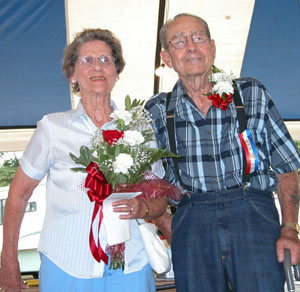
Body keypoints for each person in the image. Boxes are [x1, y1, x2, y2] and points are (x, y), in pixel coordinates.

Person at [0, 28, 167, 292]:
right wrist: (7, 259)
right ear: (72, 73)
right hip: (65, 266)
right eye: (87, 60)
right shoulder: (52, 128)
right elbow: (18, 196)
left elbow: (159, 196)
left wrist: (142, 208)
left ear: (116, 71)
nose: (97, 67)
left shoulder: (139, 128)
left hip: (130, 265)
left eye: (105, 59)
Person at [145, 13, 300, 292]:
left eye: (198, 38)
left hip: (253, 214)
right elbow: (146, 181)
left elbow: (286, 167)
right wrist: (169, 224)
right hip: (191, 220)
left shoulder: (251, 92)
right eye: (179, 42)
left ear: (212, 48)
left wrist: (289, 228)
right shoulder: (156, 110)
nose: (191, 47)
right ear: (167, 58)